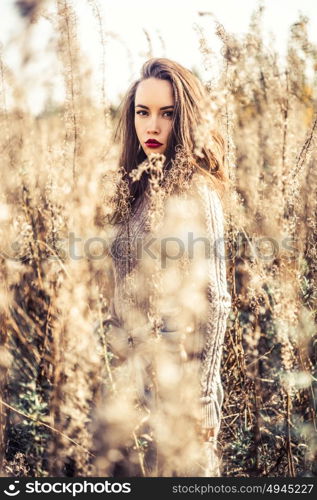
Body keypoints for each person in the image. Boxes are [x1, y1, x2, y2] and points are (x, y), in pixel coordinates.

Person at [102, 58, 232, 477]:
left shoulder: (195, 191)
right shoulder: (138, 186)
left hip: (180, 395)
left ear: (185, 117)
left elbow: (215, 300)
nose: (152, 126)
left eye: (167, 113)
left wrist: (203, 401)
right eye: (143, 112)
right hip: (136, 389)